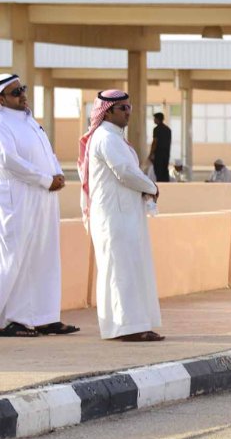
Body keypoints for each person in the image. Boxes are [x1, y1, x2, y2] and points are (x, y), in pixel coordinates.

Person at [81, 90, 165, 342]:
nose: (128, 112)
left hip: (124, 215)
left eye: (129, 107)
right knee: (120, 270)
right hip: (113, 217)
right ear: (107, 112)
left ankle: (132, 325)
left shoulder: (114, 137)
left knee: (128, 267)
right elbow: (125, 172)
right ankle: (127, 327)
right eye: (122, 108)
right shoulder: (106, 137)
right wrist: (152, 187)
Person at [0, 74, 79, 338]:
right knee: (16, 257)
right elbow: (9, 160)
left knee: (44, 255)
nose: (22, 95)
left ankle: (45, 317)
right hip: (18, 197)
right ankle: (13, 320)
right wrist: (46, 179)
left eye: (22, 89)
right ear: (1, 99)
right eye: (15, 92)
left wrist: (56, 174)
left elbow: (49, 153)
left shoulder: (30, 120)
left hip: (44, 196)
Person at [148, 112, 172, 184]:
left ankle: (161, 187)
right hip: (166, 154)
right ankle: (166, 186)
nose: (154, 120)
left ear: (158, 119)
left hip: (158, 154)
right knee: (164, 171)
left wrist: (151, 154)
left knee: (158, 172)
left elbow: (155, 142)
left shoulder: (156, 129)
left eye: (155, 118)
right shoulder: (168, 129)